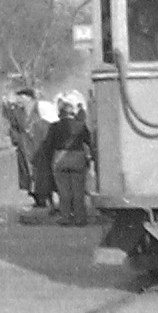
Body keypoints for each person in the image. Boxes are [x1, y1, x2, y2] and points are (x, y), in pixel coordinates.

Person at [44, 94, 95, 226]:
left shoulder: (54, 127)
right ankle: (80, 218)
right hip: (78, 158)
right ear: (73, 113)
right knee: (78, 190)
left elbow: (48, 145)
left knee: (64, 191)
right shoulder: (81, 125)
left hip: (60, 159)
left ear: (60, 114)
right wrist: (92, 159)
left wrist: (49, 161)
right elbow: (89, 142)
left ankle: (66, 217)